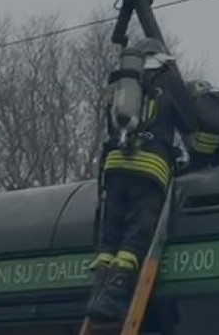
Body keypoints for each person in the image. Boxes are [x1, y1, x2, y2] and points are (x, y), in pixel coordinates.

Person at [85, 37, 198, 321]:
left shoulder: (122, 83)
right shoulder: (167, 79)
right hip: (150, 167)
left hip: (115, 166)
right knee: (137, 234)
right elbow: (191, 122)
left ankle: (98, 293)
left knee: (110, 237)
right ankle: (116, 294)